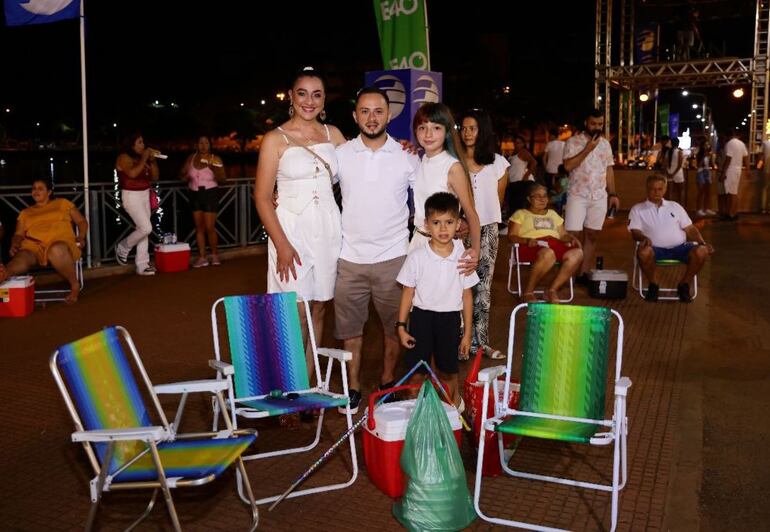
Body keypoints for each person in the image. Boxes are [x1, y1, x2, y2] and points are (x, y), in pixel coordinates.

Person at [254, 66, 346, 376]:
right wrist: (281, 244)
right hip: (291, 232)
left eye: (316, 95)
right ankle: (288, 379)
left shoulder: (334, 135)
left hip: (328, 229)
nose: (309, 101)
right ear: (291, 97)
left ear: (324, 99)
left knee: (319, 306)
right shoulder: (274, 139)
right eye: (303, 94)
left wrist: (401, 148)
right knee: (294, 310)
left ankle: (309, 379)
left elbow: (361, 168)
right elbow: (262, 197)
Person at [333, 87, 419, 415]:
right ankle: (353, 388)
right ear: (355, 116)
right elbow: (316, 187)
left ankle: (386, 383)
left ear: (389, 115)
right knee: (350, 330)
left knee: (394, 327)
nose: (372, 118)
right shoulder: (340, 154)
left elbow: (428, 195)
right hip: (349, 257)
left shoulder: (406, 154)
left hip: (393, 257)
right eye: (365, 111)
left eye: (378, 111)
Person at [396, 192, 478, 409]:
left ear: (458, 224)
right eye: (436, 223)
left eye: (449, 222)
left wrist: (467, 334)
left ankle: (453, 413)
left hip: (449, 321)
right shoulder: (417, 257)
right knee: (416, 374)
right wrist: (401, 327)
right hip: (421, 319)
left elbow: (467, 296)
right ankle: (413, 417)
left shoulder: (463, 258)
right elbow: (407, 293)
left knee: (448, 373)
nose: (443, 229)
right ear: (427, 224)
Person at [458, 108, 508, 360]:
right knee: (457, 285)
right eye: (464, 128)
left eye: (473, 128)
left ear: (483, 131)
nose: (467, 133)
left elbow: (497, 200)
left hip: (487, 229)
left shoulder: (498, 163)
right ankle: (460, 341)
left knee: (483, 287)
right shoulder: (453, 161)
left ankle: (481, 343)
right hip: (457, 231)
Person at [410, 102, 481, 263]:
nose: (428, 134)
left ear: (447, 132)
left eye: (436, 128)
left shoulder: (452, 167)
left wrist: (475, 252)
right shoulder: (421, 160)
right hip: (419, 242)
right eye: (422, 128)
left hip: (444, 247)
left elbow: (471, 213)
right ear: (415, 131)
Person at [629, 175, 714, 303]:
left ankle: (684, 284)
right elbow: (635, 232)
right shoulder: (637, 209)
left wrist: (703, 243)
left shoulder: (675, 206)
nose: (656, 192)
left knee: (702, 251)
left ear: (665, 189)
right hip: (654, 249)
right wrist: (643, 237)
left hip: (680, 248)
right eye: (652, 189)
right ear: (647, 189)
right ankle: (653, 285)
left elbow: (690, 229)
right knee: (643, 252)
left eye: (659, 189)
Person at [0, 178, 87, 303]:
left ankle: (74, 284)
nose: (36, 191)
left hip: (61, 243)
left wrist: (81, 237)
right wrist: (15, 243)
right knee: (23, 255)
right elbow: (18, 234)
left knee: (55, 249)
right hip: (34, 246)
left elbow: (81, 221)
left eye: (40, 188)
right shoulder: (25, 213)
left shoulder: (62, 203)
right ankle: (5, 274)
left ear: (49, 192)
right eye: (34, 188)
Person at [563, 108, 619, 282]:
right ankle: (568, 274)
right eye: (593, 123)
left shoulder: (605, 144)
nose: (597, 127)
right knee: (573, 234)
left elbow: (609, 170)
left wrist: (613, 194)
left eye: (600, 124)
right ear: (586, 123)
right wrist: (588, 149)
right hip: (577, 195)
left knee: (593, 235)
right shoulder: (572, 142)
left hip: (599, 196)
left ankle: (583, 273)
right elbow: (568, 166)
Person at [507, 183, 583, 303]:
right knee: (548, 253)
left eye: (544, 196)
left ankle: (551, 290)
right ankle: (528, 292)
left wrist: (571, 238)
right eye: (537, 196)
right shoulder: (521, 214)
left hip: (553, 244)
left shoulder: (553, 214)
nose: (542, 199)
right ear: (529, 199)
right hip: (530, 245)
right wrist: (526, 240)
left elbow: (563, 235)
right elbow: (511, 236)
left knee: (577, 253)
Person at [114, 133, 160, 276]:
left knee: (143, 229)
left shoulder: (141, 159)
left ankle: (142, 264)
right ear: (131, 144)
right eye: (140, 142)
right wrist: (145, 158)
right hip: (131, 195)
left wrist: (152, 161)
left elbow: (155, 177)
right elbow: (132, 174)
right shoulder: (123, 158)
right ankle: (123, 247)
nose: (143, 145)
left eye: (143, 142)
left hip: (145, 194)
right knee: (146, 228)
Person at [180, 135, 226, 267]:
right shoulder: (191, 158)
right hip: (194, 194)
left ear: (210, 145)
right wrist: (185, 175)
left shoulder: (215, 159)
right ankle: (202, 257)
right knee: (199, 227)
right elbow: (182, 175)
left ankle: (214, 254)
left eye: (206, 143)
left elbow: (223, 178)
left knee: (209, 227)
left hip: (210, 194)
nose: (203, 146)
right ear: (197, 145)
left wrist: (213, 167)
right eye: (201, 143)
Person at [718, 129, 748, 221]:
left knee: (731, 193)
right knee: (734, 192)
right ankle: (733, 212)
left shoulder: (729, 144)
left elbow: (728, 159)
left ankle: (731, 214)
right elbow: (746, 157)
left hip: (731, 170)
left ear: (727, 136)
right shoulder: (741, 144)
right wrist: (748, 170)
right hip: (738, 170)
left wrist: (723, 172)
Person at [505, 134, 537, 216]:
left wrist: (526, 175)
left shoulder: (523, 152)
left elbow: (534, 162)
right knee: (514, 206)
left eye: (519, 142)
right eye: (515, 142)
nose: (517, 144)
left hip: (521, 182)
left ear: (523, 144)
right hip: (514, 182)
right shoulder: (513, 154)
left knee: (519, 207)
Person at [695, 139, 716, 217]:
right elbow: (698, 165)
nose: (707, 146)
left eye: (708, 145)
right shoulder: (699, 154)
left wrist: (712, 158)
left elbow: (712, 165)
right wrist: (704, 155)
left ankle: (706, 209)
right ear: (702, 146)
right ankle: (699, 210)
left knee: (708, 192)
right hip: (701, 172)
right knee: (701, 192)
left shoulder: (709, 154)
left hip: (707, 171)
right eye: (705, 145)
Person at [542, 127, 565, 192]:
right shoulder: (564, 144)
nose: (549, 137)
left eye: (549, 135)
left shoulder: (549, 144)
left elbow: (544, 158)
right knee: (560, 191)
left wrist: (546, 168)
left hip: (550, 170)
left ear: (553, 136)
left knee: (550, 190)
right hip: (561, 171)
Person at [666, 137, 685, 204]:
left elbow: (665, 163)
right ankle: (680, 206)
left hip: (669, 172)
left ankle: (670, 207)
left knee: (670, 192)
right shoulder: (679, 152)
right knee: (680, 191)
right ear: (678, 143)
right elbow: (680, 164)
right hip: (678, 173)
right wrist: (674, 173)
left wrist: (668, 172)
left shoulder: (668, 152)